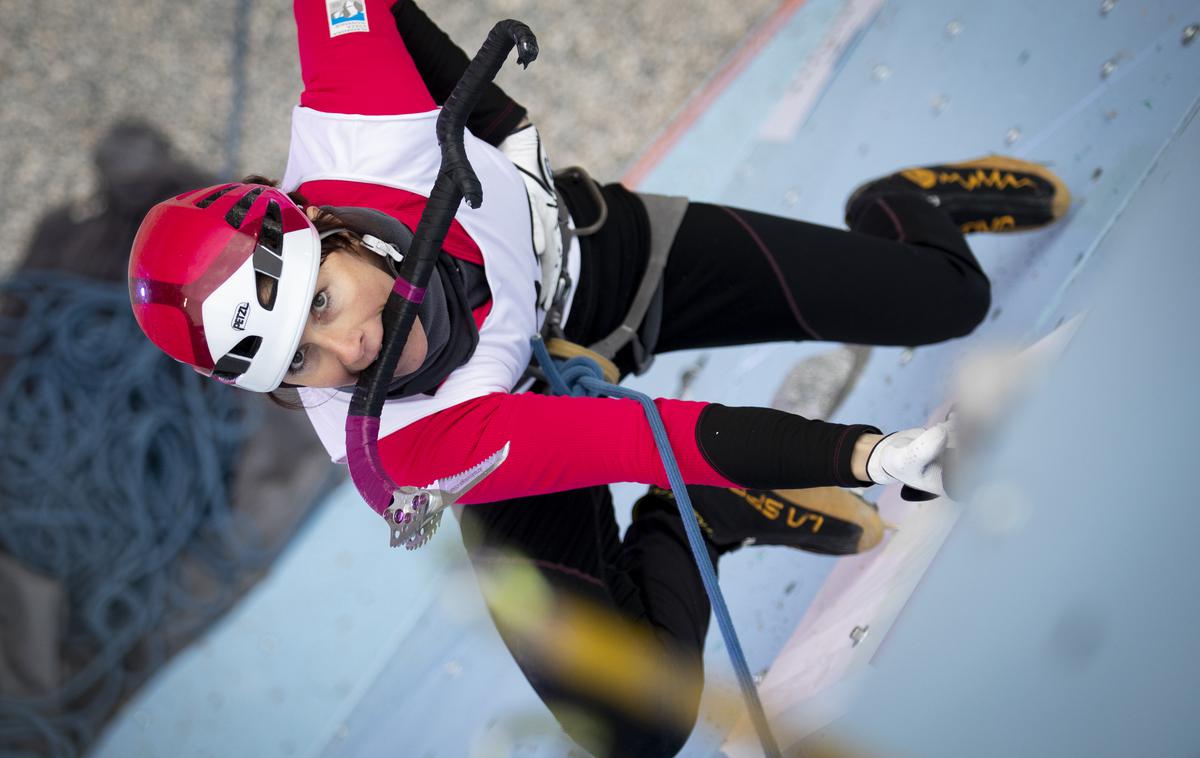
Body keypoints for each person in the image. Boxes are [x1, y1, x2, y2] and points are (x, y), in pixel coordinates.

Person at [126, 1, 1069, 754]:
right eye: (299, 364)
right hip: (507, 428)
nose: (352, 357)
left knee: (948, 302)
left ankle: (899, 203)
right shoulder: (403, 444)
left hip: (603, 267)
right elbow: (642, 437)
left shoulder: (358, 123)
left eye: (322, 305)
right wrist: (875, 454)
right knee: (636, 726)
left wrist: (481, 110)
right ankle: (701, 518)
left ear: (321, 229)